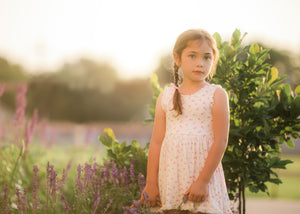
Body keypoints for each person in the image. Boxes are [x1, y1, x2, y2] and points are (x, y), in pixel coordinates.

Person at [140, 29, 232, 214]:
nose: (200, 63)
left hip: (202, 178)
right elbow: (157, 143)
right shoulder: (165, 97)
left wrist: (203, 181)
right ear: (177, 58)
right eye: (192, 56)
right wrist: (151, 184)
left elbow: (220, 141)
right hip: (172, 178)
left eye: (207, 57)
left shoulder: (216, 94)